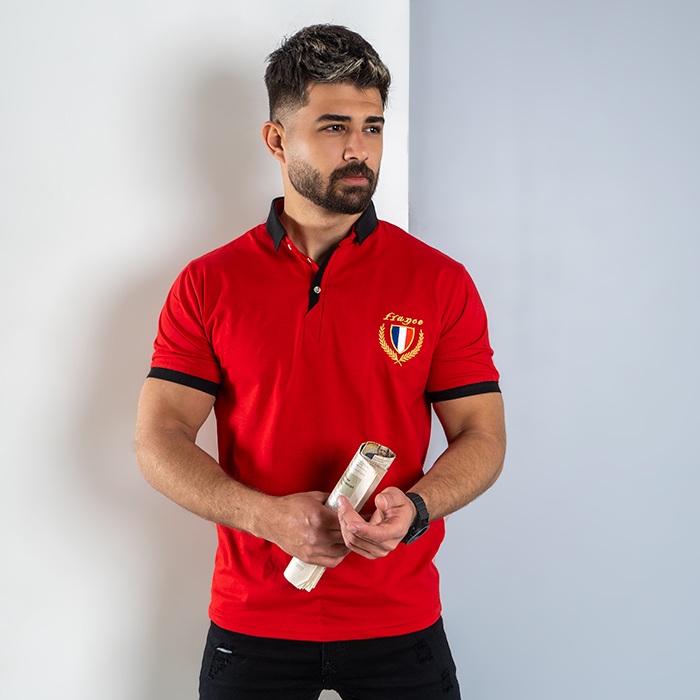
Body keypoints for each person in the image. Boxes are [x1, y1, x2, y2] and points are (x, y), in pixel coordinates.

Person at [135, 24, 505, 700]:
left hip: (399, 621)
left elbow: (483, 435)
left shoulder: (439, 282)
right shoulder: (209, 283)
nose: (359, 148)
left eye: (373, 127)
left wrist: (418, 508)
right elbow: (158, 439)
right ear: (276, 139)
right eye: (334, 127)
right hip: (254, 620)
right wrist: (264, 517)